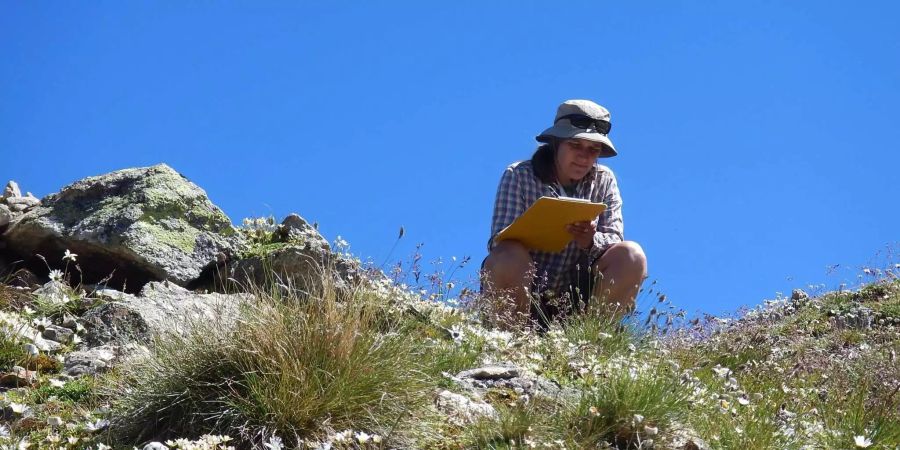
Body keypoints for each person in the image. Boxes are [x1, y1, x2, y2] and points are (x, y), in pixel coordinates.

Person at [481, 99, 647, 327]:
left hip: (578, 298)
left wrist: (590, 240)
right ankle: (510, 340)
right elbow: (498, 244)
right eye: (575, 145)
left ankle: (592, 340)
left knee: (632, 255)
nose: (584, 157)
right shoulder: (518, 175)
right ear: (556, 143)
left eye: (593, 149)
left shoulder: (604, 180)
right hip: (525, 289)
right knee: (508, 254)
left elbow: (614, 238)